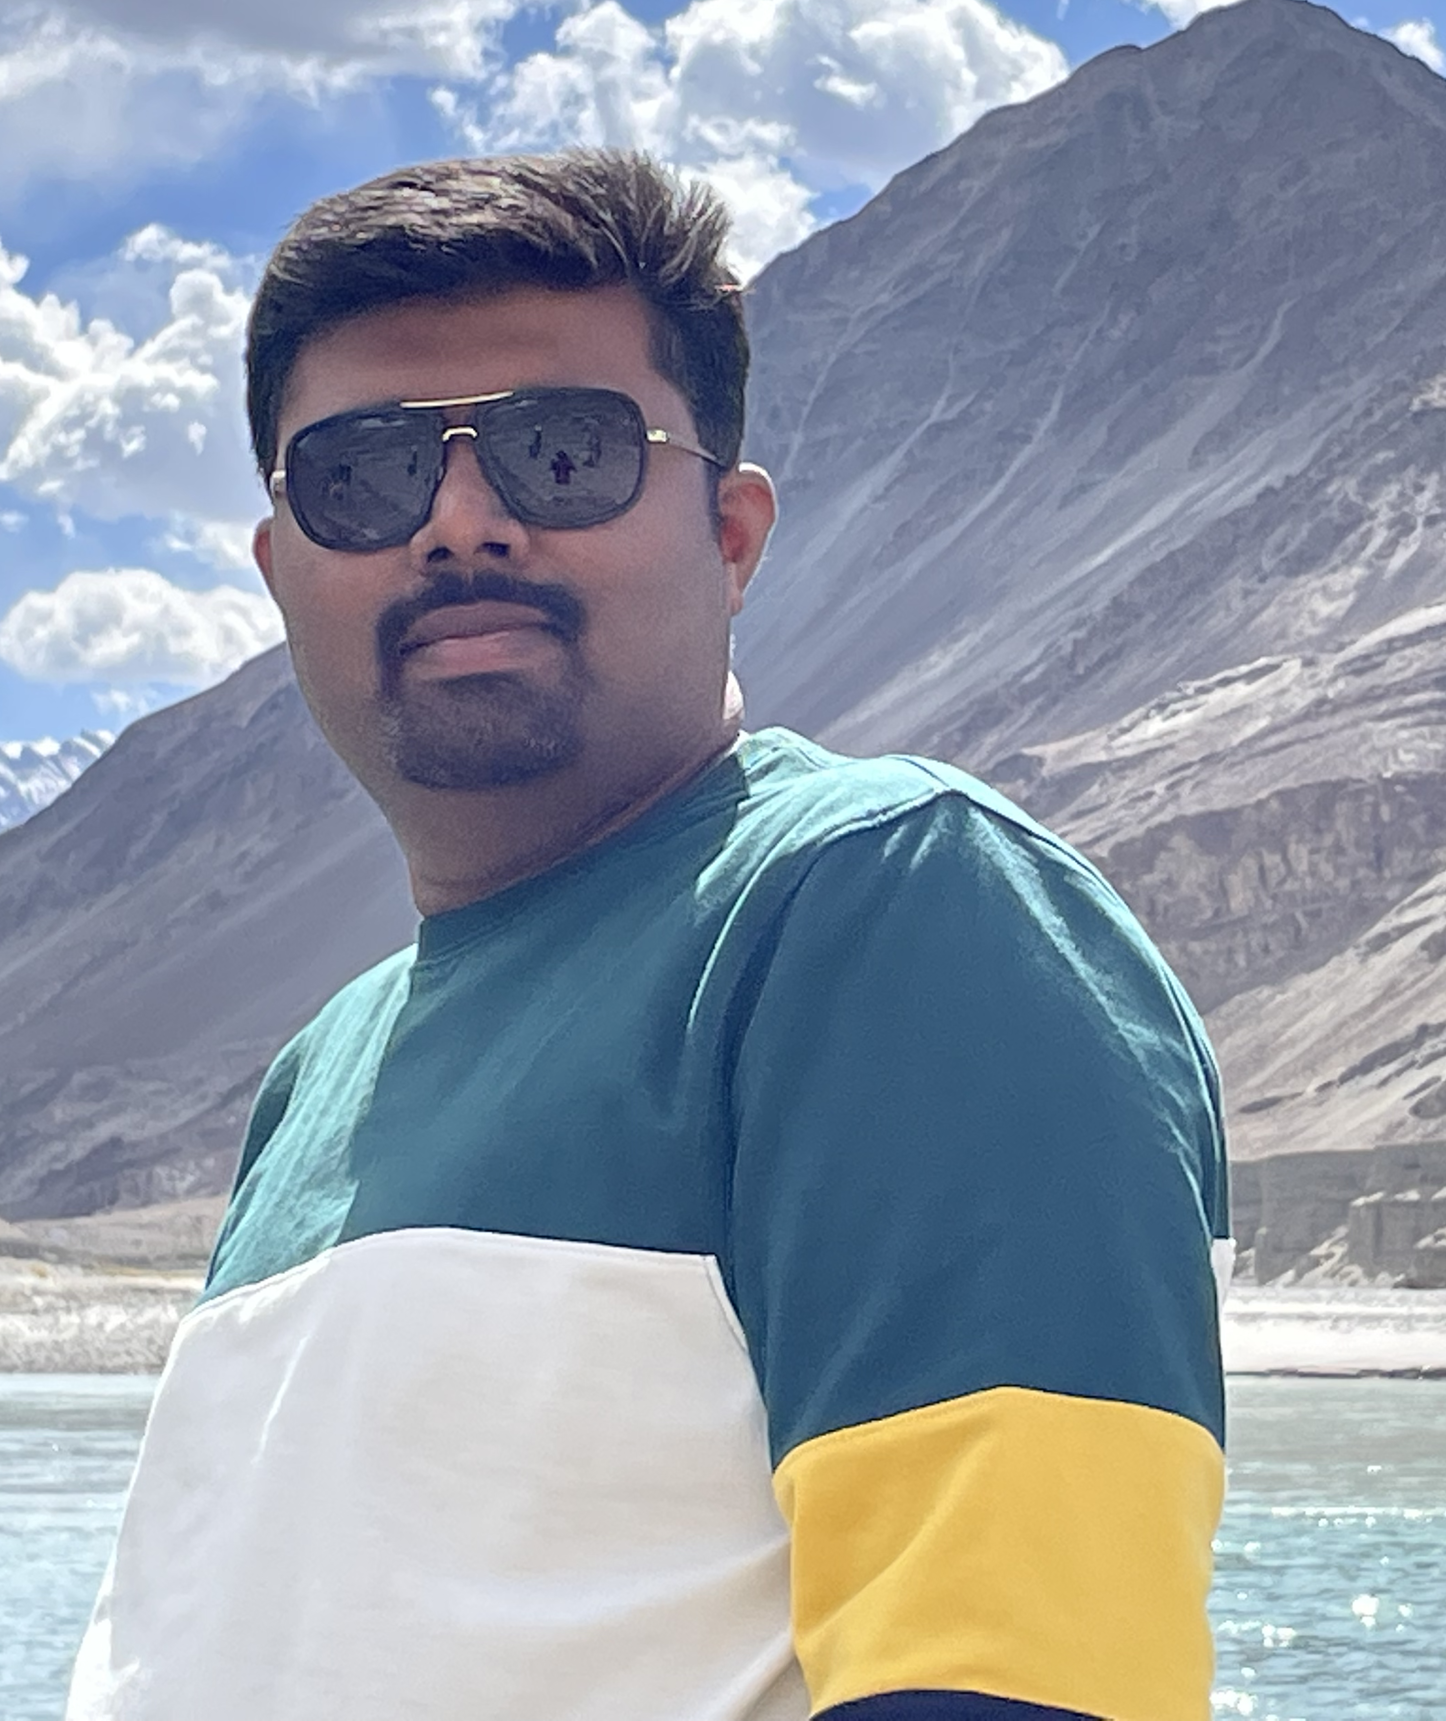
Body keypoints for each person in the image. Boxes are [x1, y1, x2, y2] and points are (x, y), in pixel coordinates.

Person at [67, 149, 1230, 1721]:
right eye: (362, 476)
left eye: (563, 453)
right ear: (284, 571)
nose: (459, 522)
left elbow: (1021, 1683)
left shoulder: (890, 912)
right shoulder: (318, 1076)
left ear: (732, 535)